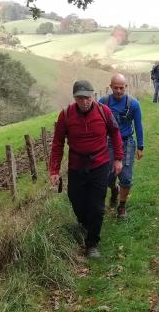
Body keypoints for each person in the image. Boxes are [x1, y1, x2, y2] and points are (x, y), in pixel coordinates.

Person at [50, 79, 123, 258]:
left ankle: (92, 244)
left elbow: (115, 133)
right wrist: (54, 170)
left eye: (88, 97)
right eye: (81, 98)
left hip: (100, 164)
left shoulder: (103, 112)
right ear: (75, 98)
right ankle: (85, 224)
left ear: (93, 96)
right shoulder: (66, 116)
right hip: (76, 166)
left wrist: (119, 159)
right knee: (77, 202)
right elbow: (58, 143)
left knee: (97, 206)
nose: (85, 101)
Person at [98, 73, 144, 219]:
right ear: (110, 87)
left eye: (121, 88)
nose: (118, 91)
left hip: (126, 143)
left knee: (126, 177)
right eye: (116, 88)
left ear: (126, 87)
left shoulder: (133, 104)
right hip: (108, 143)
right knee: (108, 177)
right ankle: (114, 189)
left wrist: (140, 146)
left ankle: (122, 206)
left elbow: (138, 125)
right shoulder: (102, 102)